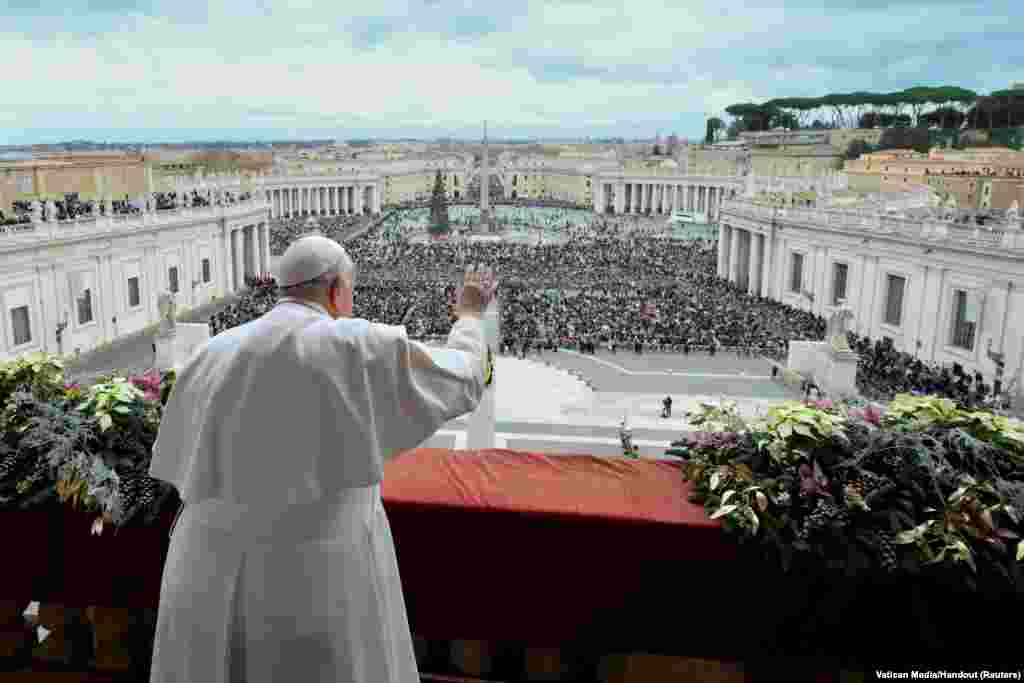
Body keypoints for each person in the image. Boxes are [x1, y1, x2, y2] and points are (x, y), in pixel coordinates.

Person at [147, 234, 498, 683]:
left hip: (204, 572)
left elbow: (175, 466)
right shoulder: (353, 344)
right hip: (312, 577)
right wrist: (469, 315)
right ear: (335, 290)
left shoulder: (209, 354)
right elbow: (464, 376)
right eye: (351, 289)